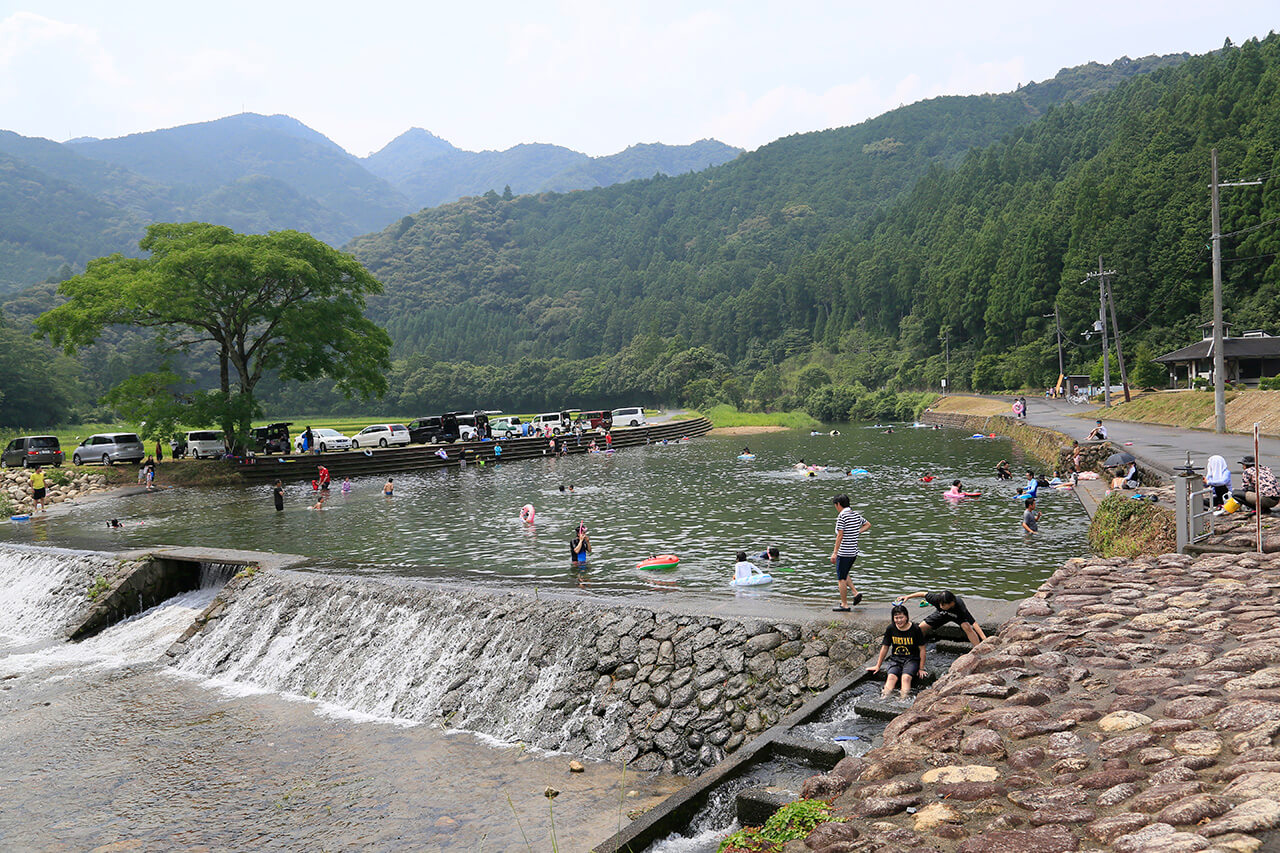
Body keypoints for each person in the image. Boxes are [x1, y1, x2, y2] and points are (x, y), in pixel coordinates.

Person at [865, 605, 926, 700]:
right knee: (891, 678)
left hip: (911, 660)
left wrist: (921, 668)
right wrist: (878, 665)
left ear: (906, 617)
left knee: (905, 678)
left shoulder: (915, 629)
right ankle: (883, 699)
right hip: (896, 660)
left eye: (901, 617)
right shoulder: (891, 629)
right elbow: (885, 647)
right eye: (896, 618)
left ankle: (903, 700)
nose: (899, 620)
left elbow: (922, 649)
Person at [898, 590, 987, 647]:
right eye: (940, 604)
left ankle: (978, 648)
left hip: (957, 616)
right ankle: (919, 645)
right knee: (921, 627)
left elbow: (973, 622)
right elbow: (923, 593)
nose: (941, 606)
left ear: (951, 603)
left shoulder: (960, 606)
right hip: (942, 614)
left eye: (943, 605)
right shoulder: (937, 599)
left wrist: (984, 638)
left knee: (967, 627)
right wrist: (907, 597)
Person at [829, 494, 869, 611]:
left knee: (841, 578)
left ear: (838, 504)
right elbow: (868, 524)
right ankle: (855, 593)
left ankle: (844, 605)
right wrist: (857, 532)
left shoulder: (842, 516)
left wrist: (835, 552)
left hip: (844, 552)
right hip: (853, 552)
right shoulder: (855, 515)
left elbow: (840, 535)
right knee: (844, 572)